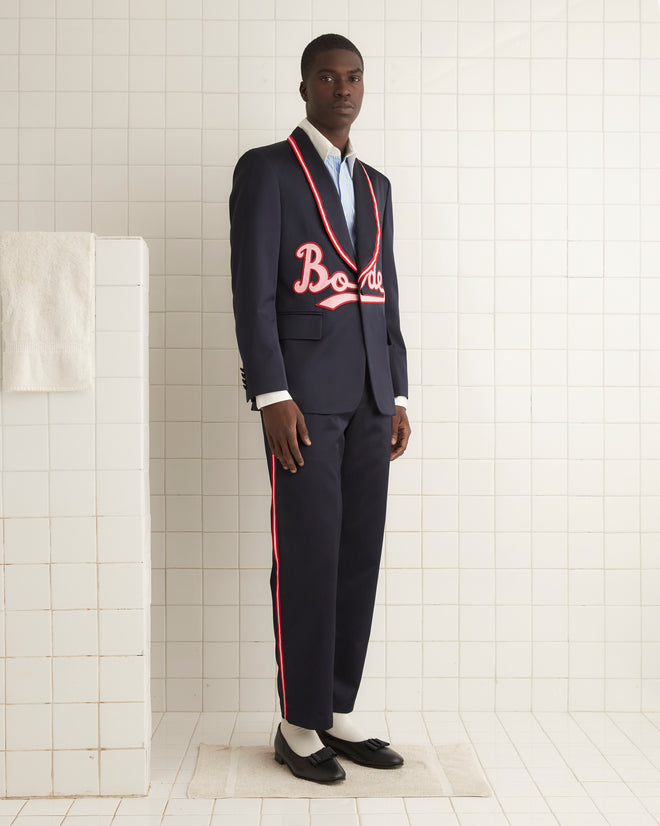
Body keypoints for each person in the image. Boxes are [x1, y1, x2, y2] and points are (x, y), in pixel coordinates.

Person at [229, 33, 410, 784]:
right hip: (301, 404)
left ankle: (335, 708)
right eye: (328, 77)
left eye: (354, 77)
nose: (343, 88)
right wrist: (271, 392)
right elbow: (251, 290)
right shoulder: (267, 170)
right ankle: (296, 721)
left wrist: (397, 390)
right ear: (304, 87)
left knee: (356, 559)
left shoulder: (377, 186)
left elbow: (386, 292)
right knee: (307, 557)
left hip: (369, 400)